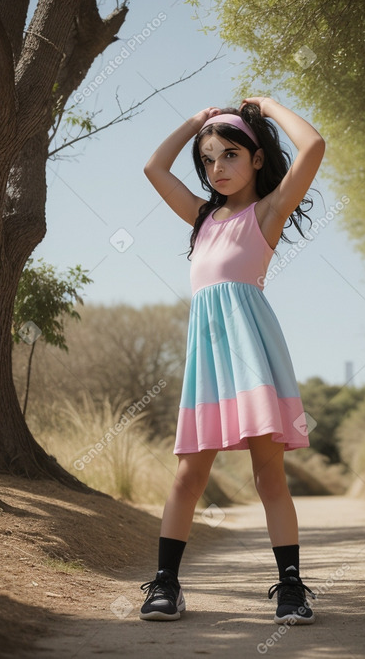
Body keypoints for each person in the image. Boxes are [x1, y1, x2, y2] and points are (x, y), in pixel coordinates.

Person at [139, 96, 325, 624]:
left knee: (269, 478)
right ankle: (166, 585)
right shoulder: (200, 217)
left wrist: (266, 105)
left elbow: (313, 145)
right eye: (207, 159)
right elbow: (153, 167)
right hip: (207, 365)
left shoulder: (266, 213)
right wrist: (197, 122)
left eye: (229, 156)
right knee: (186, 479)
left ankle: (291, 589)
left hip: (252, 361)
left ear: (258, 159)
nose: (216, 168)